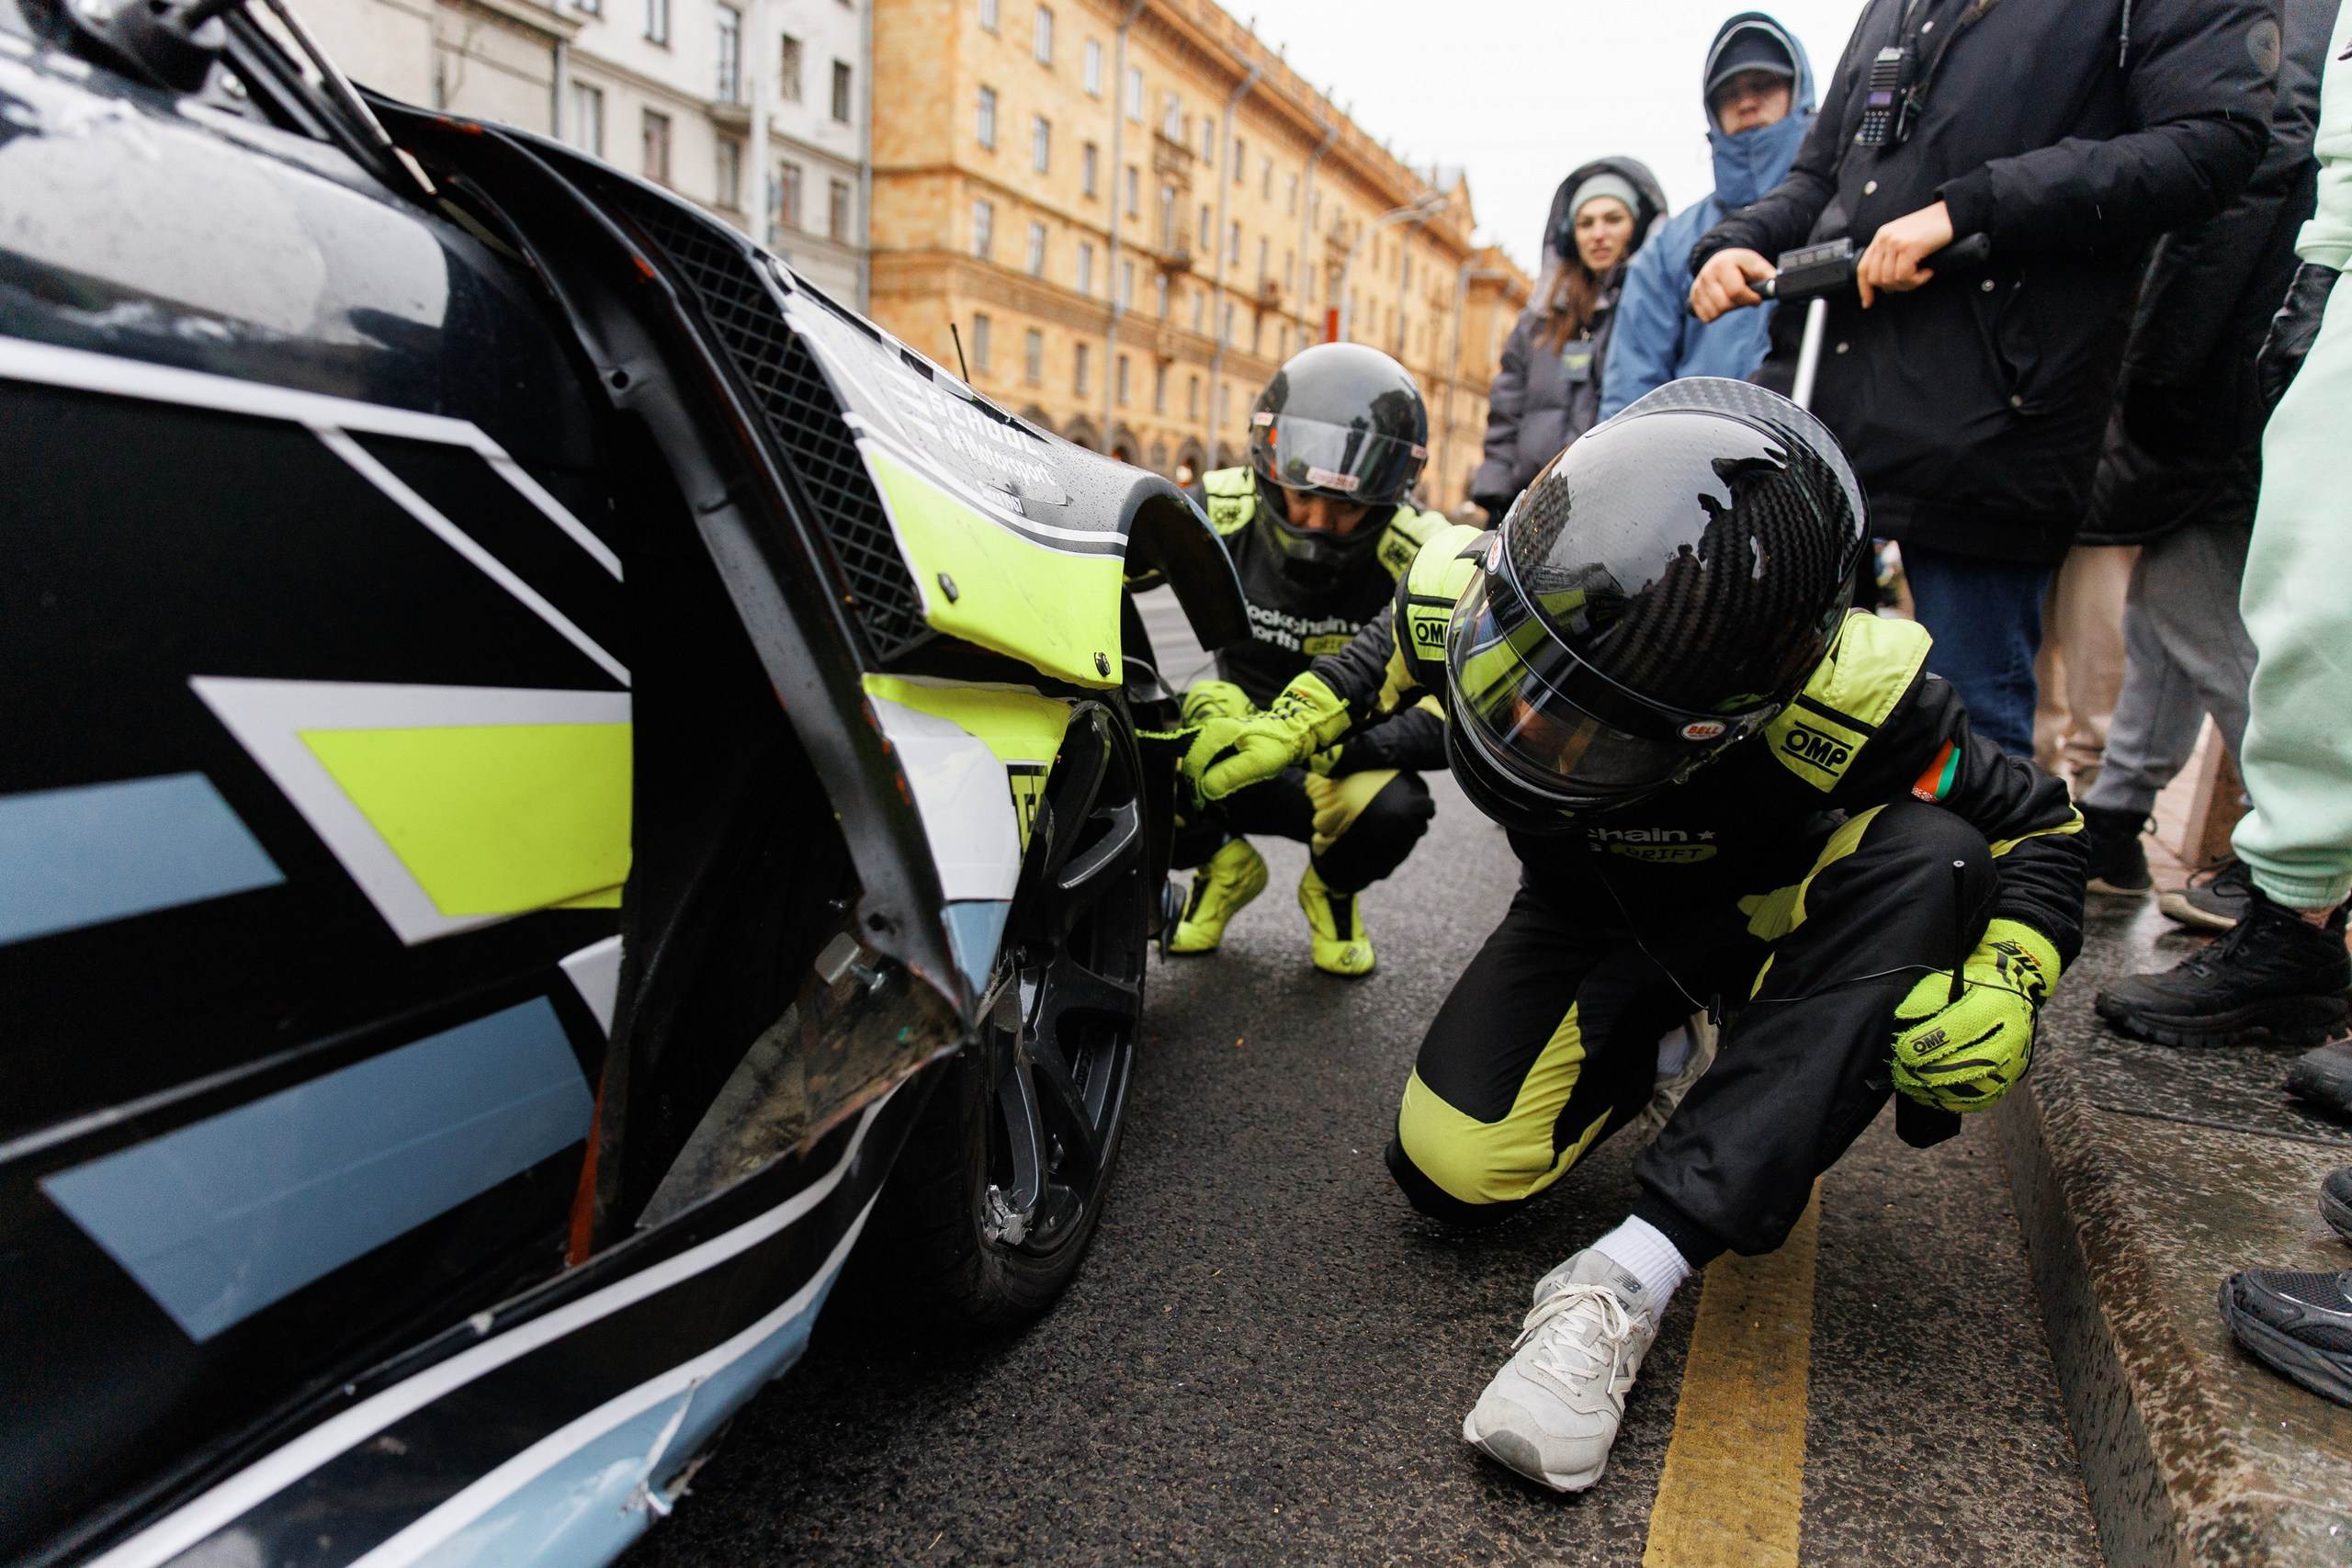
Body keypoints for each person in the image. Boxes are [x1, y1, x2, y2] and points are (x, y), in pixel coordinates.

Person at [1179, 378, 2086, 1491]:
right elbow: (1381, 657)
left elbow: (2043, 825)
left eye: (1595, 729)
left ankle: (1628, 1277)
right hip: (1593, 912)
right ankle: (1645, 1050)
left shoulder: (1853, 700)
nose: (1542, 737)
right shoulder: (1467, 582)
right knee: (1452, 1168)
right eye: (1532, 682)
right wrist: (1294, 720)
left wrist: (2011, 972)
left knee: (1930, 853)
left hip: (1772, 917)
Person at [1688, 0, 2276, 758]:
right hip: (1838, 403)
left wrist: (1971, 208)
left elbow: (2214, 142)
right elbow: (1824, 172)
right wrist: (1740, 239)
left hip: (1998, 412)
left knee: (1968, 736)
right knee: (1794, 710)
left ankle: (2003, 873)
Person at [2094, 0, 2352, 1077]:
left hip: (2238, 323)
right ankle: (2264, 889)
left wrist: (2176, 361)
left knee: (2277, 609)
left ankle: (2295, 899)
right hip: (2288, 285)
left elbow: (2259, 168)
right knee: (2181, 601)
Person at [1169, 343, 1449, 977]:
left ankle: (1331, 886)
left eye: (1347, 507)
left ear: (1390, 496)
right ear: (1268, 472)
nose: (1318, 522)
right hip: (1233, 745)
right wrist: (1195, 697)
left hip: (1333, 766)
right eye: (1301, 495)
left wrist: (1352, 748)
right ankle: (1221, 862)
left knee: (1397, 807)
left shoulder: (1422, 553)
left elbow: (1470, 709)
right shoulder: (1213, 509)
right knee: (1136, 744)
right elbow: (1122, 606)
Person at [1600, 13, 1815, 420]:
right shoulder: (1670, 247)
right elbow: (1631, 389)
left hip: (1822, 463)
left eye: (1763, 85)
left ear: (1800, 94)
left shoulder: (1838, 216)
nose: (1746, 102)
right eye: (1728, 93)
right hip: (1698, 472)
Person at [1468, 159, 1666, 522]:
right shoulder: (1538, 319)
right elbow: (1506, 407)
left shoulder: (1651, 312)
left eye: (1613, 219)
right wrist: (1496, 491)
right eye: (1585, 223)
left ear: (1637, 228)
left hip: (1609, 507)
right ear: (1568, 234)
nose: (1598, 234)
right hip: (1527, 504)